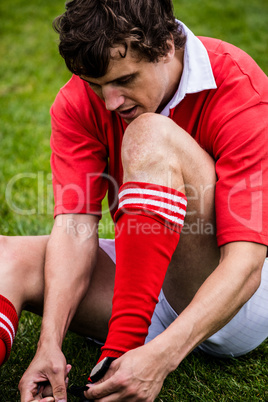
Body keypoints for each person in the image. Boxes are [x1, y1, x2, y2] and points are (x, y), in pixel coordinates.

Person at [0, 0, 267, 400]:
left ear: (166, 48)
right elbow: (74, 227)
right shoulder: (78, 100)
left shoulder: (239, 84)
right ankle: (118, 344)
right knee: (5, 257)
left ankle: (118, 354)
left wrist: (161, 357)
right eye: (96, 85)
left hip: (232, 300)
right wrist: (49, 343)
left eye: (124, 80)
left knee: (148, 133)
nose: (110, 101)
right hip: (142, 277)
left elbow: (246, 263)